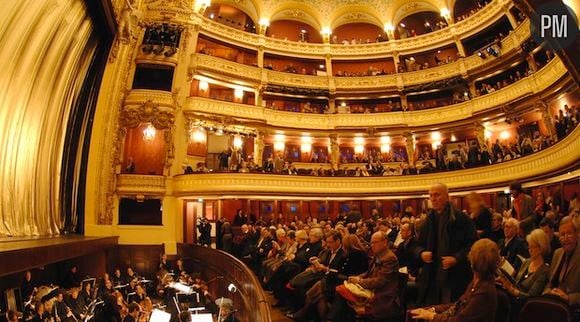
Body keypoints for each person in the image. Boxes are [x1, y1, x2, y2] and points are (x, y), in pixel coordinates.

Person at [416, 183, 477, 305]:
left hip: (456, 274)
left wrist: (457, 258)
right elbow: (417, 245)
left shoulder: (461, 218)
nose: (433, 198)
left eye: (437, 195)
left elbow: (473, 244)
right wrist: (421, 253)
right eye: (431, 195)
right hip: (432, 274)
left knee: (452, 308)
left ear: (447, 196)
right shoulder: (428, 220)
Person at [411, 238, 499, 322]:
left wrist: (431, 316)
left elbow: (459, 320)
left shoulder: (484, 292)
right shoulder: (478, 282)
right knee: (414, 313)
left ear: (472, 261)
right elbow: (458, 305)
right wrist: (433, 310)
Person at [327, 231, 401, 321]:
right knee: (341, 291)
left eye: (375, 242)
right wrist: (359, 277)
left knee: (341, 295)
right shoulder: (379, 255)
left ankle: (331, 319)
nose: (372, 245)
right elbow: (368, 273)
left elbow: (380, 281)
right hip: (371, 290)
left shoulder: (389, 258)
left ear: (385, 242)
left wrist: (359, 281)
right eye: (371, 242)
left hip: (381, 295)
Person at [497, 229, 550, 316]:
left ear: (541, 248)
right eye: (529, 246)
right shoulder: (527, 262)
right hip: (513, 299)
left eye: (532, 247)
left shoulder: (544, 270)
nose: (529, 250)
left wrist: (512, 290)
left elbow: (531, 297)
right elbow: (516, 282)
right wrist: (505, 280)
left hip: (525, 308)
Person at [543, 216, 580, 312]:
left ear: (577, 235)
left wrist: (568, 298)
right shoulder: (557, 253)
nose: (565, 238)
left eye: (569, 233)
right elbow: (550, 282)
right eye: (562, 234)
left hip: (572, 309)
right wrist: (547, 291)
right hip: (553, 303)